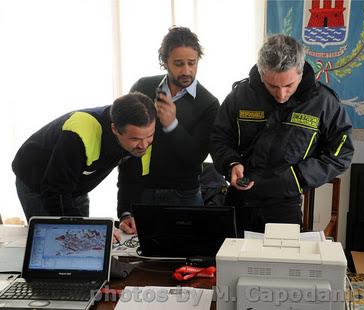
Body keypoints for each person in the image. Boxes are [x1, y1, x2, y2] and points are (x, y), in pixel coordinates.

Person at [210, 34, 354, 235]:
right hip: (240, 198)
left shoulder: (323, 102)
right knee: (232, 263)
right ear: (261, 75)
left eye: (289, 85)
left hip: (285, 202)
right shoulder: (240, 95)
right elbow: (219, 138)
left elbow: (341, 152)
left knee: (281, 265)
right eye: (272, 86)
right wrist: (231, 163)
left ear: (301, 73)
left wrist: (299, 176)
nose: (281, 94)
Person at [118, 26, 219, 234]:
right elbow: (126, 151)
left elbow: (195, 158)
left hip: (185, 196)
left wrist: (172, 125)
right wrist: (124, 210)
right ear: (165, 62)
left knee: (186, 259)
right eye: (178, 64)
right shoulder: (143, 87)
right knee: (139, 259)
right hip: (142, 192)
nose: (186, 71)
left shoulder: (208, 103)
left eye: (192, 63)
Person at [12, 92, 156, 221]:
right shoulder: (80, 132)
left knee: (80, 242)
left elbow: (131, 180)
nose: (144, 145)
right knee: (57, 238)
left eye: (150, 135)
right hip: (37, 177)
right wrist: (85, 229)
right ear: (114, 129)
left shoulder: (143, 137)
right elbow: (56, 191)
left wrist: (126, 215)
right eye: (135, 139)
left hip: (75, 180)